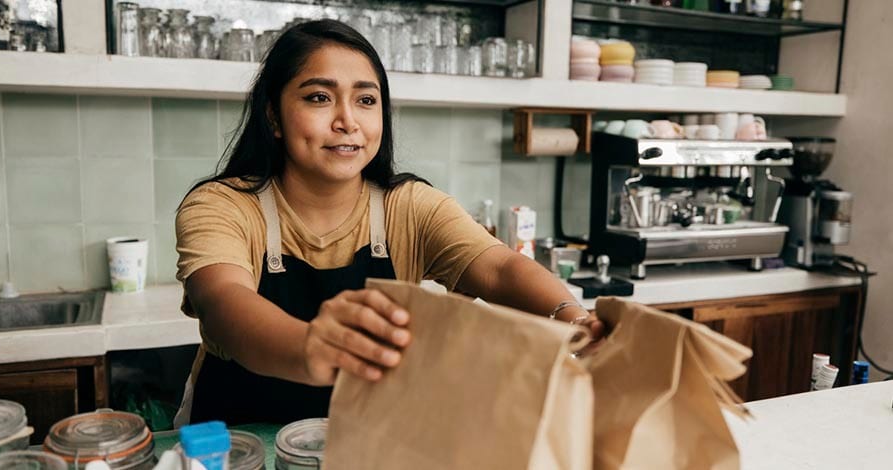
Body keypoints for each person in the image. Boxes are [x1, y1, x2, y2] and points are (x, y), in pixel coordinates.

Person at [173, 19, 604, 427]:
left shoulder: (409, 206)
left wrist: (573, 320)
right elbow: (223, 303)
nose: (348, 121)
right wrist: (309, 347)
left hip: (366, 438)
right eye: (319, 98)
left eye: (366, 100)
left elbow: (498, 267)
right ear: (273, 117)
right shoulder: (222, 205)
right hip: (235, 446)